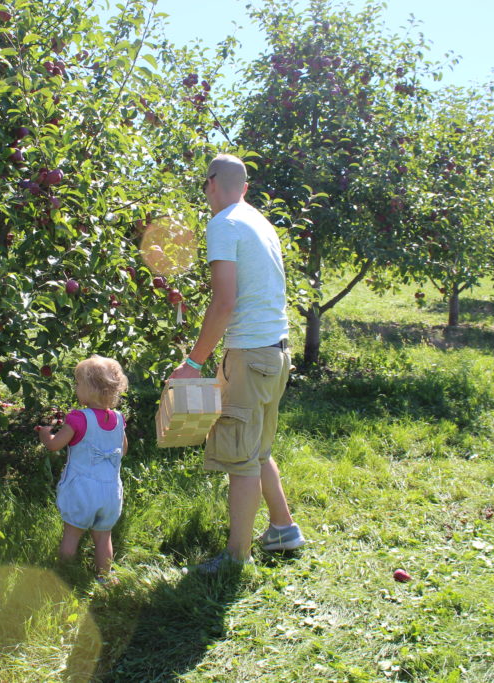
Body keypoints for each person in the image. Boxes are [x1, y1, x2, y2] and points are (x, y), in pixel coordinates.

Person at [170, 153, 305, 573]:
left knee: (241, 459)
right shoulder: (260, 222)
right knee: (258, 448)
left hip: (249, 354)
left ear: (211, 184)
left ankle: (235, 557)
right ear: (244, 187)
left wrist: (194, 362)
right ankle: (283, 529)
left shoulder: (224, 224)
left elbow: (224, 301)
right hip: (277, 352)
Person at [37, 355, 129, 581]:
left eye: (78, 384)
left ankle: (64, 575)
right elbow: (123, 450)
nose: (77, 388)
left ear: (90, 389)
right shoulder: (118, 419)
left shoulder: (79, 418)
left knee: (72, 533)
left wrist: (45, 434)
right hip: (110, 492)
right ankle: (104, 577)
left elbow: (54, 445)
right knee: (103, 536)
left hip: (82, 490)